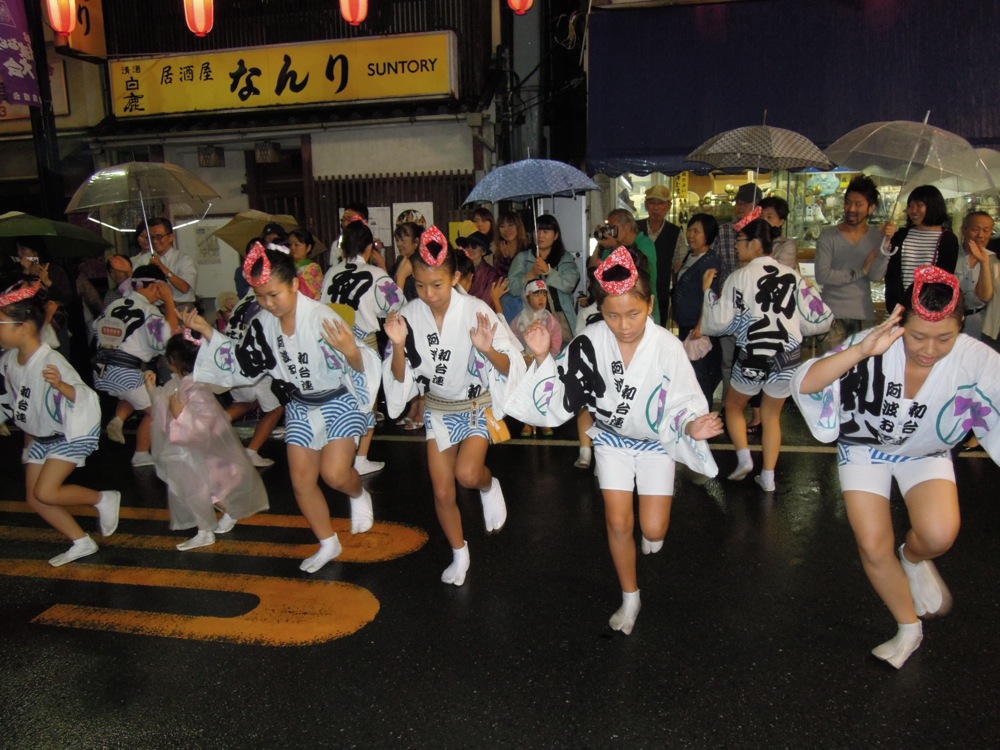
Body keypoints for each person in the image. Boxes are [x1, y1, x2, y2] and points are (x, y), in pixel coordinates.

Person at [506, 246, 723, 635]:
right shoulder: (590, 341)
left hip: (656, 442)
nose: (624, 325)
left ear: (651, 304)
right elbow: (563, 392)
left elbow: (684, 400)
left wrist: (691, 427)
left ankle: (649, 537)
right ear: (599, 310)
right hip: (611, 441)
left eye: (634, 314)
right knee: (618, 522)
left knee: (653, 530)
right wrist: (541, 358)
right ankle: (629, 595)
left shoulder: (667, 347)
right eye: (612, 315)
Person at [791, 266, 1000, 668]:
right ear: (901, 320)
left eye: (945, 338)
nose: (929, 349)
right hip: (866, 448)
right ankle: (908, 627)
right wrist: (860, 352)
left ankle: (914, 557)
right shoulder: (875, 342)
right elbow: (806, 384)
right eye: (918, 336)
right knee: (872, 543)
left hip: (925, 451)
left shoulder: (977, 360)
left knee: (939, 535)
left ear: (961, 327)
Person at [181, 242, 381, 574]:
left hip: (338, 399)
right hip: (301, 404)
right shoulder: (263, 324)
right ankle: (328, 542)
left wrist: (351, 352)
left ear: (293, 284)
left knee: (334, 474)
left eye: (274, 294)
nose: (268, 303)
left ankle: (358, 492)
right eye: (260, 296)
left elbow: (361, 364)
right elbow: (243, 364)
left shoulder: (321, 317)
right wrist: (205, 331)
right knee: (301, 481)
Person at [382, 226, 525, 586]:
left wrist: (488, 348)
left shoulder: (476, 310)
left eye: (437, 285)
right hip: (439, 409)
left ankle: (489, 485)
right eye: (419, 285)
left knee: (467, 473)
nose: (428, 295)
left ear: (456, 277)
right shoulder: (410, 314)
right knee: (442, 490)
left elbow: (511, 366)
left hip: (477, 404)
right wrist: (398, 345)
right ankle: (459, 552)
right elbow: (400, 378)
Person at [701, 218, 833, 491]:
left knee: (735, 406)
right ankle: (769, 477)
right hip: (788, 356)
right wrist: (797, 325)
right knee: (772, 416)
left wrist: (707, 293)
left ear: (754, 243)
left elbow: (718, 323)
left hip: (753, 354)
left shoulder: (739, 277)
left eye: (740, 242)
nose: (737, 248)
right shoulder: (792, 276)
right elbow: (822, 319)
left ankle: (744, 457)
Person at [0, 276, 121, 566]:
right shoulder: (9, 359)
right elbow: (10, 396)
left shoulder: (49, 361)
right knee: (35, 498)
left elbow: (84, 395)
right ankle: (81, 541)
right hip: (38, 436)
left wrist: (62, 387)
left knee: (46, 491)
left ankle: (102, 499)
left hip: (67, 435)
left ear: (24, 327)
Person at [146, 330, 269, 551]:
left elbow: (200, 426)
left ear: (175, 361)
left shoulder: (192, 388)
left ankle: (205, 532)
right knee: (204, 490)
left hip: (191, 451)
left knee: (195, 491)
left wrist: (178, 415)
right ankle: (228, 513)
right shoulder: (184, 383)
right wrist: (154, 393)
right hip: (190, 450)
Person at [321, 217, 404, 475]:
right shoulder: (377, 275)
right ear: (369, 249)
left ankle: (338, 451)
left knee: (339, 397)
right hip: (362, 345)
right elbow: (397, 304)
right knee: (367, 400)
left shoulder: (331, 273)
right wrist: (394, 275)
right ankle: (360, 458)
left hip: (331, 342)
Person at [94, 265, 179, 465]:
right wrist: (169, 302)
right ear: (156, 287)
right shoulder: (149, 311)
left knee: (134, 395)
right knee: (158, 410)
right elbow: (165, 341)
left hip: (102, 370)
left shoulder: (114, 305)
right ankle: (141, 454)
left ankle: (119, 419)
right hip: (127, 371)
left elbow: (96, 328)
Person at [814, 175, 890, 343]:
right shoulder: (828, 236)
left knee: (862, 369)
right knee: (831, 368)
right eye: (848, 202)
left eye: (858, 204)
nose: (851, 209)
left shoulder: (877, 237)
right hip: (831, 316)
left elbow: (876, 276)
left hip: (863, 314)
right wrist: (860, 272)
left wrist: (885, 248)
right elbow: (822, 275)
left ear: (871, 208)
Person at [713, 183, 764, 391]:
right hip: (729, 306)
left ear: (758, 205)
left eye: (746, 202)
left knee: (754, 359)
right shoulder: (724, 231)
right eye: (738, 201)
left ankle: (754, 408)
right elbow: (716, 267)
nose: (740, 206)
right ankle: (728, 403)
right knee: (727, 361)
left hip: (757, 308)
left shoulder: (763, 232)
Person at [671, 213, 722, 408]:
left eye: (696, 231)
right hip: (687, 324)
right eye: (689, 230)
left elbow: (711, 295)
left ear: (708, 234)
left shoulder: (709, 261)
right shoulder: (691, 256)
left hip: (698, 327)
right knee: (692, 373)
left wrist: (701, 325)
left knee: (700, 375)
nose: (691, 235)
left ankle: (705, 414)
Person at [884, 184, 959, 312]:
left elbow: (944, 279)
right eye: (910, 206)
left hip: (928, 310)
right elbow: (891, 274)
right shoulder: (901, 235)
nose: (913, 211)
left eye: (919, 205)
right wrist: (886, 239)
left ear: (933, 206)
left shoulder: (947, 239)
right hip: (899, 308)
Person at [509, 214, 581, 340]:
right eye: (537, 230)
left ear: (556, 235)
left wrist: (548, 271)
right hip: (530, 320)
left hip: (560, 318)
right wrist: (531, 274)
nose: (540, 235)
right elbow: (512, 288)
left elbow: (569, 284)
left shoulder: (565, 259)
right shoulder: (522, 258)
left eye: (546, 231)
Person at [512, 278, 561, 438]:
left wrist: (549, 357)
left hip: (544, 362)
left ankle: (544, 421)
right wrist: (521, 355)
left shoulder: (550, 319)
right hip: (526, 362)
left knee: (544, 391)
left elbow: (556, 340)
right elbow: (513, 339)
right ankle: (528, 422)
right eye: (536, 295)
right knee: (527, 390)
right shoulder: (519, 319)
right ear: (527, 297)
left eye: (544, 295)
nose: (541, 299)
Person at [591, 209, 659, 323]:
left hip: (642, 306)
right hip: (618, 308)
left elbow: (638, 269)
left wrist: (615, 245)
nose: (610, 232)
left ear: (627, 227)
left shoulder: (645, 243)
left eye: (612, 228)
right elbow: (593, 271)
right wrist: (599, 244)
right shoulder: (611, 248)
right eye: (608, 228)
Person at [636, 184, 684, 325]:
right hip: (636, 292)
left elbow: (678, 266)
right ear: (646, 205)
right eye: (652, 203)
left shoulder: (675, 233)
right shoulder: (635, 228)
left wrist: (676, 300)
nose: (656, 208)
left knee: (659, 332)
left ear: (669, 206)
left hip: (661, 295)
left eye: (661, 203)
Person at [134, 219, 198, 309]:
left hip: (181, 307)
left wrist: (161, 267)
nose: (155, 241)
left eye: (159, 237)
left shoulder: (184, 259)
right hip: (153, 309)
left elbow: (184, 288)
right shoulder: (143, 260)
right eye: (151, 237)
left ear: (171, 237)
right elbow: (136, 287)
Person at [953, 211, 995, 340]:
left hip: (977, 320)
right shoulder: (950, 254)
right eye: (975, 229)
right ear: (963, 230)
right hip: (950, 318)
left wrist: (984, 263)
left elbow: (985, 296)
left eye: (986, 230)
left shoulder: (994, 260)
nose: (980, 235)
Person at [457, 231, 502, 306]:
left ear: (483, 251)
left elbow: (487, 302)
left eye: (474, 246)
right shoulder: (460, 268)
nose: (469, 249)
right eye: (467, 245)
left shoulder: (491, 275)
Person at [759, 196, 798, 270]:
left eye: (769, 217)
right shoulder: (751, 239)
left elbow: (783, 272)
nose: (763, 221)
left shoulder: (787, 245)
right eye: (761, 217)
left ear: (781, 221)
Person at [391, 221, 422, 302]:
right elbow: (389, 294)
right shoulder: (400, 260)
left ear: (416, 242)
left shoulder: (419, 264)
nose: (398, 244)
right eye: (397, 240)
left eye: (402, 240)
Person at [289, 229, 324, 300]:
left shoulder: (313, 268)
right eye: (290, 244)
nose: (292, 247)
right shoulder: (288, 265)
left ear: (308, 248)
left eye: (297, 244)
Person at [494, 210, 529, 279]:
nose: (506, 229)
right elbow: (500, 279)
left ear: (518, 226)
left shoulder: (527, 249)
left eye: (511, 225)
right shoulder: (500, 249)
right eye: (502, 226)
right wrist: (505, 258)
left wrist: (509, 259)